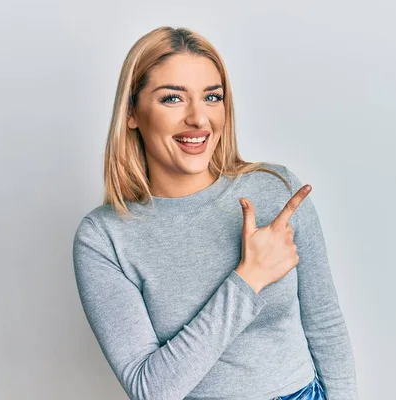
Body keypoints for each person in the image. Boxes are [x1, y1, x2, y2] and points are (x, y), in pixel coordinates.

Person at [72, 26, 358, 400]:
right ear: (132, 113)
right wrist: (249, 279)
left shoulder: (276, 190)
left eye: (212, 97)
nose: (198, 119)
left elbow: (326, 325)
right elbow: (150, 389)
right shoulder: (104, 237)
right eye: (172, 98)